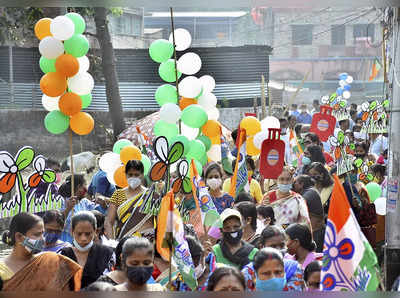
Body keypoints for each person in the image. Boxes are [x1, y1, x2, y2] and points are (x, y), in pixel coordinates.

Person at [0, 212, 82, 291]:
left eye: (43, 233)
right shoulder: (2, 270)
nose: (43, 239)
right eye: (37, 234)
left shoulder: (50, 261)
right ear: (19, 237)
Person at [60, 211, 114, 289]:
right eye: (79, 234)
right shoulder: (64, 254)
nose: (83, 238)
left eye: (88, 234)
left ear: (96, 232)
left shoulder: (106, 253)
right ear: (72, 232)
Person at [242, 226, 304, 291]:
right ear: (261, 247)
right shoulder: (248, 272)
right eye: (273, 246)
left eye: (282, 245)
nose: (278, 250)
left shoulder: (294, 268)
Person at [105, 160, 154, 241]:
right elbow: (109, 222)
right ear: (126, 175)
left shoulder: (150, 195)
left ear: (142, 175)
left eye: (136, 175)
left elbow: (161, 222)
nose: (133, 177)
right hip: (124, 242)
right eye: (130, 175)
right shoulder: (118, 194)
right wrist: (112, 243)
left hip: (147, 242)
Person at [59, 174, 95, 243]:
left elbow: (96, 212)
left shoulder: (85, 202)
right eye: (85, 185)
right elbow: (57, 222)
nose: (86, 189)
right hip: (66, 243)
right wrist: (68, 209)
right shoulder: (62, 201)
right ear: (79, 187)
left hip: (83, 242)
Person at [292, 175, 325, 252]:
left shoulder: (310, 193)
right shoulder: (309, 191)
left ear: (301, 184)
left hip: (316, 233)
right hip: (314, 232)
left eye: (295, 182)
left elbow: (298, 205)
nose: (293, 185)